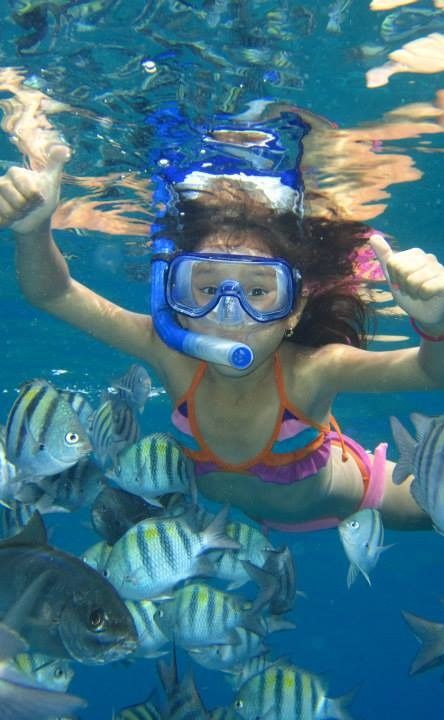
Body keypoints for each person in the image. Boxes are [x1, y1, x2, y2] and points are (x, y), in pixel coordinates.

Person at [1, 137, 444, 534]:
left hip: (361, 500)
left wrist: (435, 321)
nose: (229, 313)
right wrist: (34, 231)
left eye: (258, 291)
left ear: (295, 309)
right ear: (174, 297)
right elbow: (53, 293)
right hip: (254, 519)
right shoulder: (170, 351)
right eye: (207, 289)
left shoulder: (314, 370)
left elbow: (430, 371)